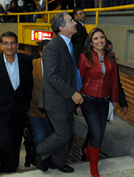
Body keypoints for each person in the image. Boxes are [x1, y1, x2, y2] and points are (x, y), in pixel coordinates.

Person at [32, 11, 83, 173]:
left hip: (67, 100)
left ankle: (57, 162)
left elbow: (71, 73)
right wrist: (72, 93)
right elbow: (52, 76)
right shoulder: (52, 47)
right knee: (63, 134)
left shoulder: (70, 44)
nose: (75, 22)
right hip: (55, 100)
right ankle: (38, 152)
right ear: (62, 28)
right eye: (71, 21)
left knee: (67, 135)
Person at [0, 31, 33, 173]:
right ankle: (8, 168)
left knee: (17, 141)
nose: (9, 46)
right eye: (6, 43)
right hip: (0, 110)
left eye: (12, 43)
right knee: (5, 141)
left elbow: (29, 86)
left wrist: (25, 106)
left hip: (19, 110)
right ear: (1, 46)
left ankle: (12, 165)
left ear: (17, 44)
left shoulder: (26, 60)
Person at [76, 28, 119, 177]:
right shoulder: (84, 57)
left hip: (104, 102)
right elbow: (79, 79)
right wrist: (78, 103)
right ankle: (93, 165)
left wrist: (114, 100)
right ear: (91, 42)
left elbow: (114, 81)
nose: (99, 40)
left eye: (102, 37)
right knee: (96, 133)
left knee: (99, 135)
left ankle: (89, 150)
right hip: (88, 100)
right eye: (96, 38)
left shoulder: (111, 57)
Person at [27, 40, 53, 146]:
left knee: (50, 140)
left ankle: (45, 162)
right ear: (40, 52)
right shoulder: (32, 65)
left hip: (52, 113)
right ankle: (37, 158)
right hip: (35, 110)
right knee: (40, 138)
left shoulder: (58, 66)